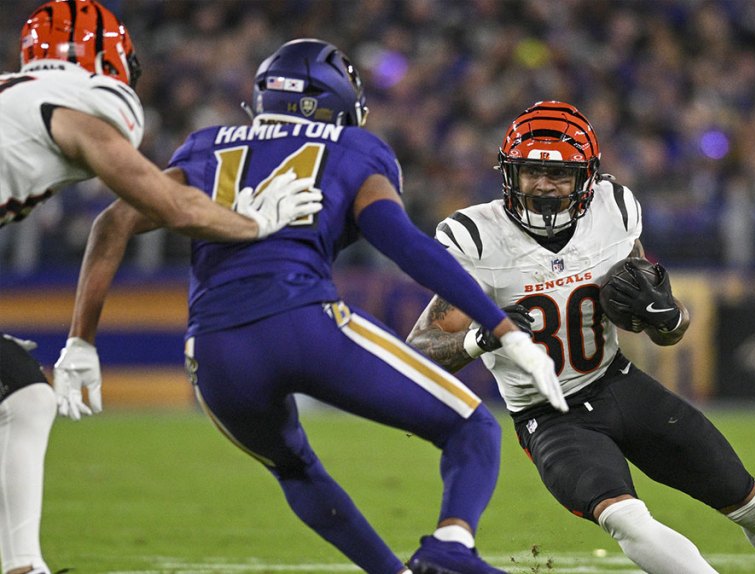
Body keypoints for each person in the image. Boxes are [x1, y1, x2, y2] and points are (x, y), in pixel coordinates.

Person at [65, 38, 567, 574]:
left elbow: (113, 221)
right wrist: (502, 327)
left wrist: (80, 340)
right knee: (472, 426)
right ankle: (450, 545)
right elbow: (402, 244)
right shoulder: (353, 151)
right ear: (332, 101)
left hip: (213, 353)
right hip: (301, 322)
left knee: (294, 469)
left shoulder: (206, 146)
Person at [407, 101, 755, 574]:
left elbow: (659, 322)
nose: (543, 186)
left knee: (753, 505)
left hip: (620, 384)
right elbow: (419, 349)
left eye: (561, 175)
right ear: (509, 173)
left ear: (586, 179)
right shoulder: (476, 237)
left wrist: (671, 317)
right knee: (628, 520)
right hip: (550, 415)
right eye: (530, 172)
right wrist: (479, 340)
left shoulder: (614, 210)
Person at [0, 2, 321, 574]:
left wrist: (80, 337)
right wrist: (253, 223)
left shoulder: (15, 98)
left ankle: (22, 565)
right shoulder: (72, 105)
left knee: (22, 396)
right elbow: (162, 201)